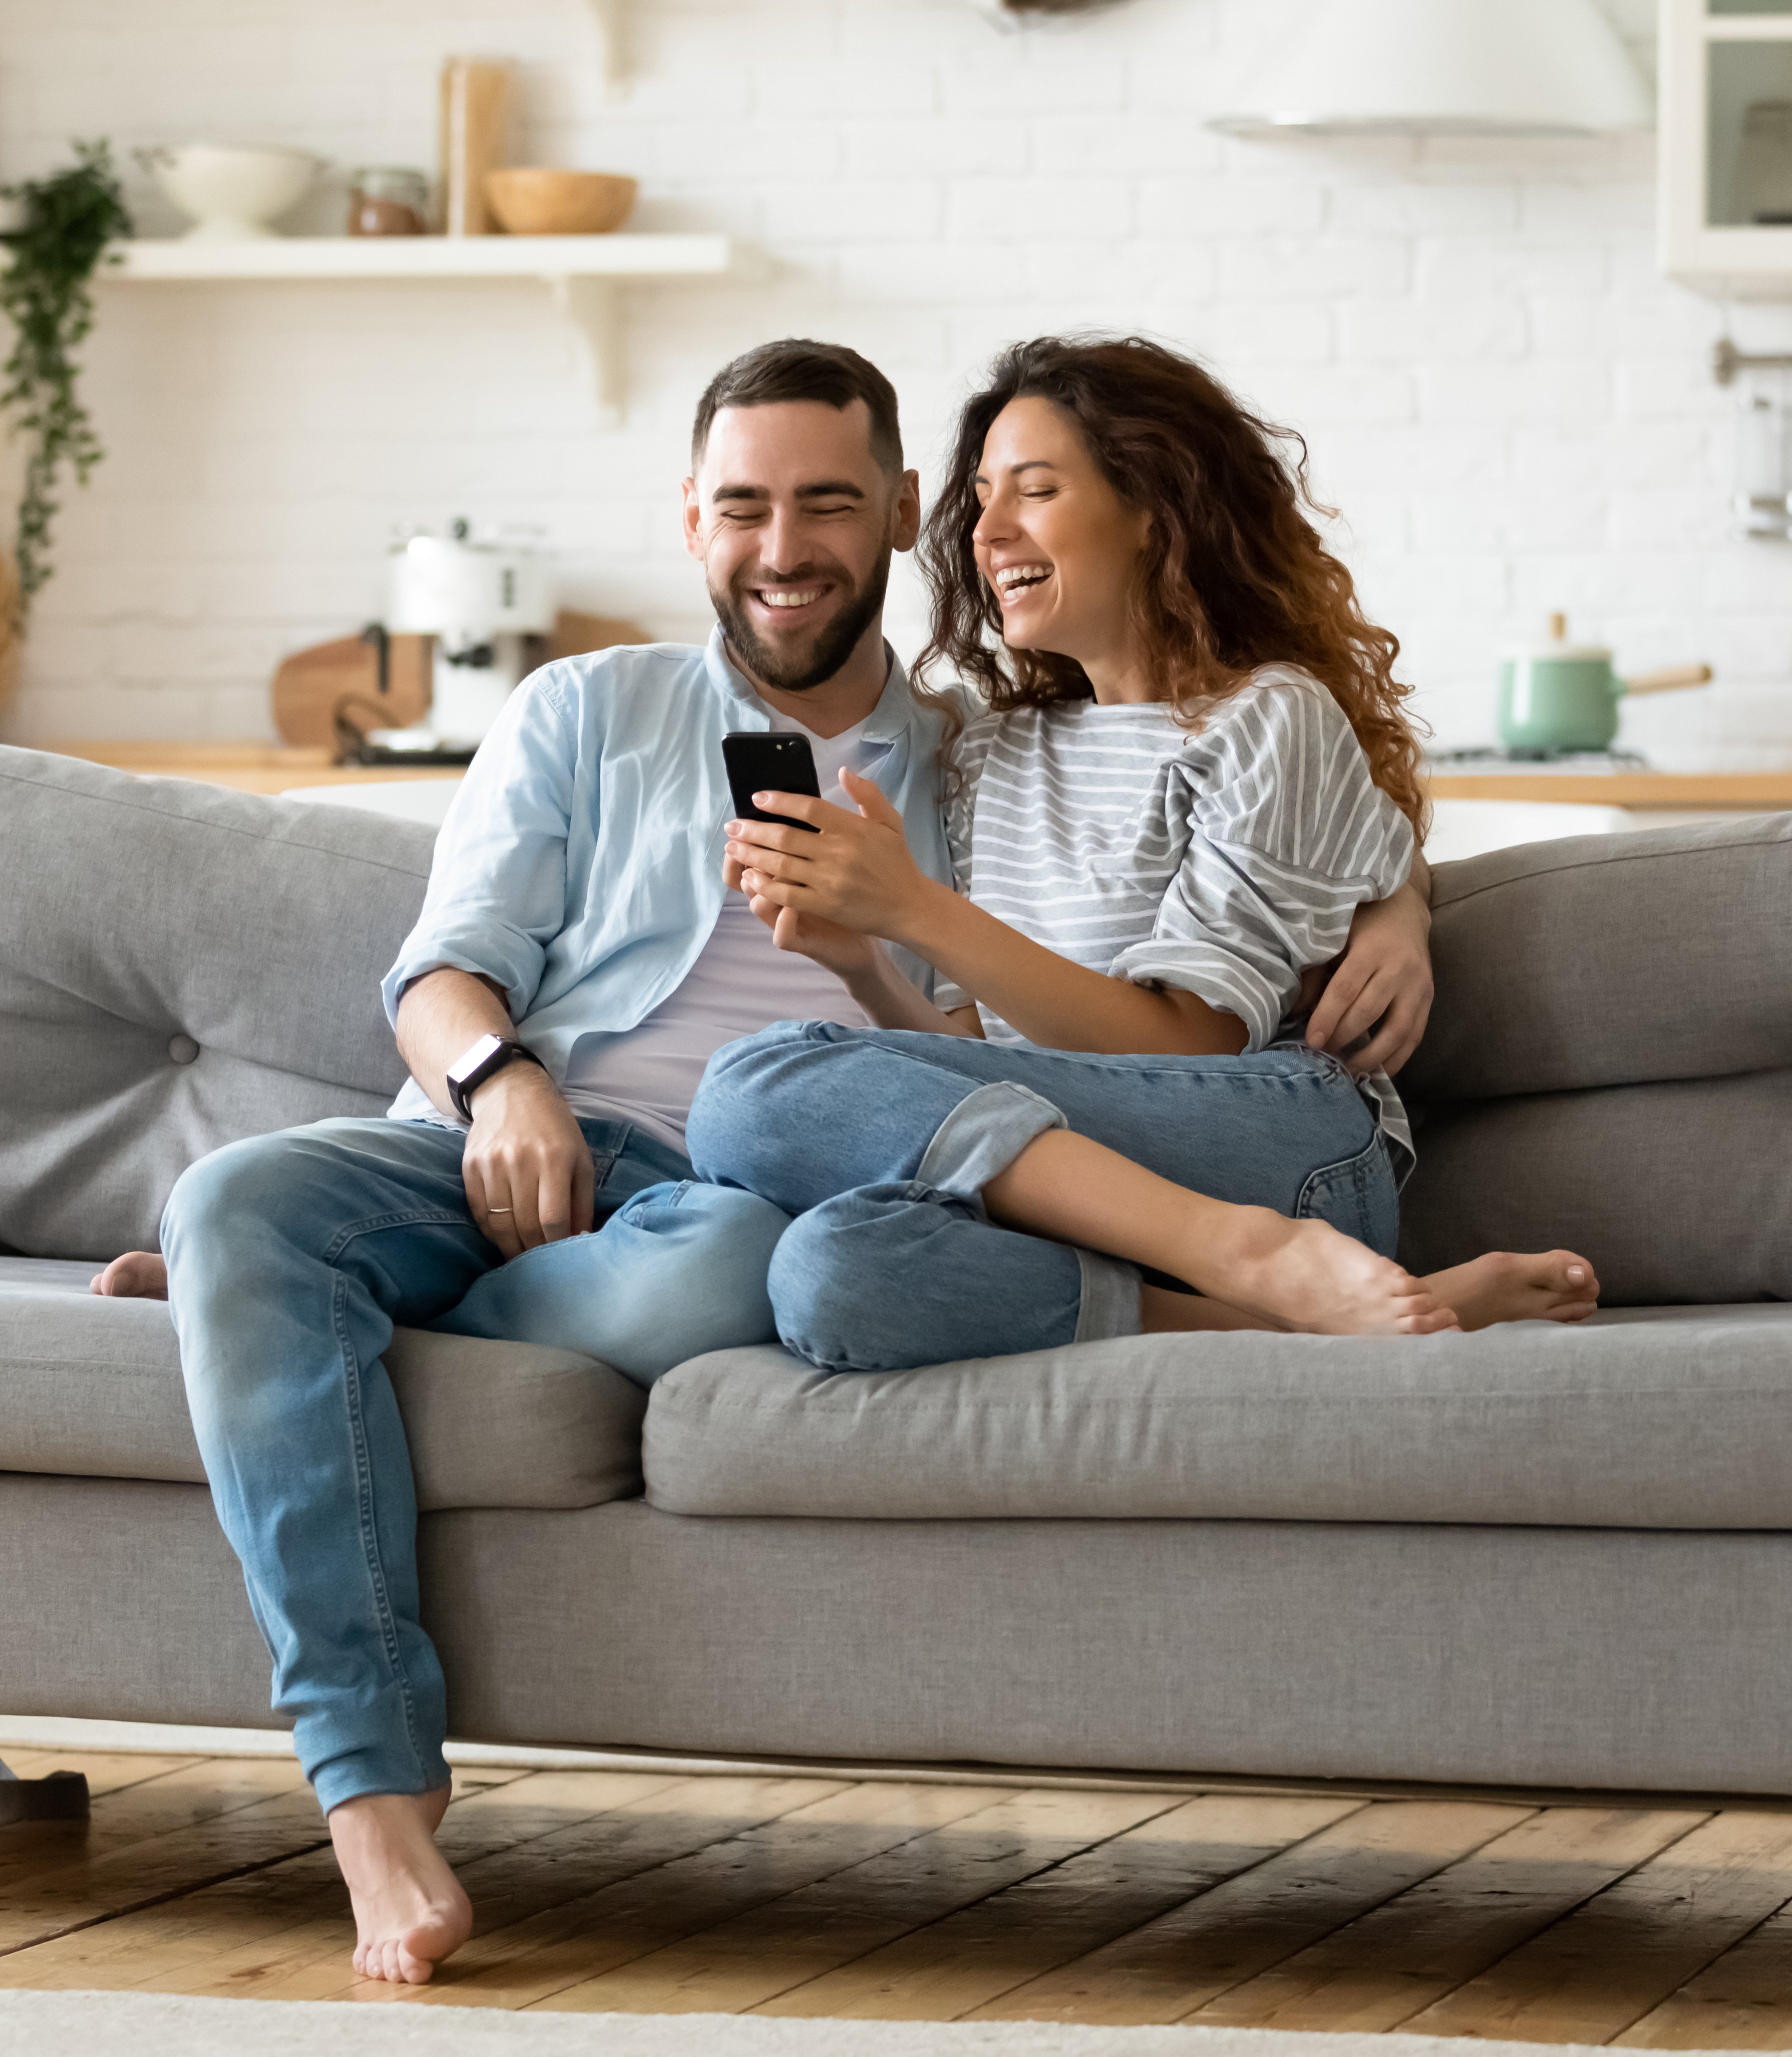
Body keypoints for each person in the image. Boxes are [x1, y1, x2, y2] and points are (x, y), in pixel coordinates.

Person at [88, 339, 1443, 1984]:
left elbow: (1209, 842)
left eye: (823, 503)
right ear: (691, 520)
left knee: (740, 1258)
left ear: (892, 516)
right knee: (232, 1193)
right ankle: (371, 1787)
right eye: (741, 506)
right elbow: (438, 971)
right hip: (506, 1138)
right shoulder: (588, 707)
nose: (781, 545)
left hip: (728, 1190)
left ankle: (287, 1319)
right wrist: (500, 1077)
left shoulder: (978, 746)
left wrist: (1399, 905)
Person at [694, 334, 1597, 1370]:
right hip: (1082, 1174)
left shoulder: (1265, 719)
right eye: (981, 496)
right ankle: (1288, 1307)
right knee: (829, 1272)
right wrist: (861, 960)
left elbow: (1191, 1045)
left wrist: (917, 910)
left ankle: (1255, 1249)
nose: (986, 530)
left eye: (1034, 489)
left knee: (747, 1086)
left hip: (1274, 1144)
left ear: (1154, 511)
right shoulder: (988, 750)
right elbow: (983, 1064)